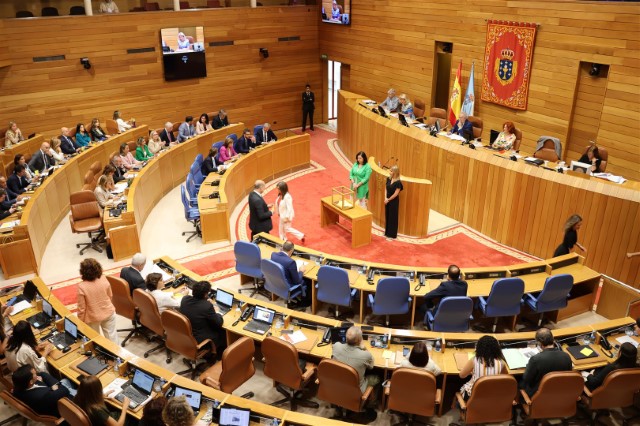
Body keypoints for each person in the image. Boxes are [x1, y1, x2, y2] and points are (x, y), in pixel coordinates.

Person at [521, 328, 572, 397]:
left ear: (539, 343)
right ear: (553, 339)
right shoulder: (566, 356)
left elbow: (526, 378)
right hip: (559, 393)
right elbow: (568, 374)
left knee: (519, 383)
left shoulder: (536, 359)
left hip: (538, 395)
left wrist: (529, 365)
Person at [77, 258, 118, 343]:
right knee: (112, 338)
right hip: (109, 312)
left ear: (82, 272)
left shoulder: (82, 286)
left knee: (96, 340)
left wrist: (80, 322)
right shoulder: (103, 278)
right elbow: (110, 295)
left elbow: (82, 308)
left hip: (93, 317)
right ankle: (117, 355)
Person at [179, 280, 225, 355]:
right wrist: (217, 312)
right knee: (223, 331)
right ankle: (217, 355)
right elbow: (219, 322)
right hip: (200, 338)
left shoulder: (185, 299)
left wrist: (205, 302)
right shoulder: (207, 306)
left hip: (186, 335)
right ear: (205, 294)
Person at [332, 326, 380, 392]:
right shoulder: (366, 355)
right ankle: (372, 401)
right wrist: (364, 348)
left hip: (337, 384)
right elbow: (371, 367)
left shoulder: (336, 346)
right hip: (356, 390)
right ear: (360, 340)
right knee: (378, 378)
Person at [459, 336, 506, 400]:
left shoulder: (474, 360)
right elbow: (504, 378)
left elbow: (462, 375)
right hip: (492, 396)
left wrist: (472, 371)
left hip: (474, 396)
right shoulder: (501, 363)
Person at [270, 241, 310, 307]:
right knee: (308, 281)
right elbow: (297, 281)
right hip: (288, 285)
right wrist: (301, 271)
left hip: (276, 282)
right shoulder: (291, 262)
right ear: (291, 250)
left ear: (282, 248)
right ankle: (304, 303)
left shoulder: (273, 255)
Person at [384, 165, 403, 240]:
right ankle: (387, 232)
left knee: (393, 217)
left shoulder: (398, 182)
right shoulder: (388, 179)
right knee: (387, 215)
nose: (390, 172)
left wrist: (388, 199)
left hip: (393, 202)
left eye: (391, 171)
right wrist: (385, 198)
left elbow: (396, 194)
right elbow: (385, 189)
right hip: (387, 200)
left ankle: (392, 235)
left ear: (395, 172)